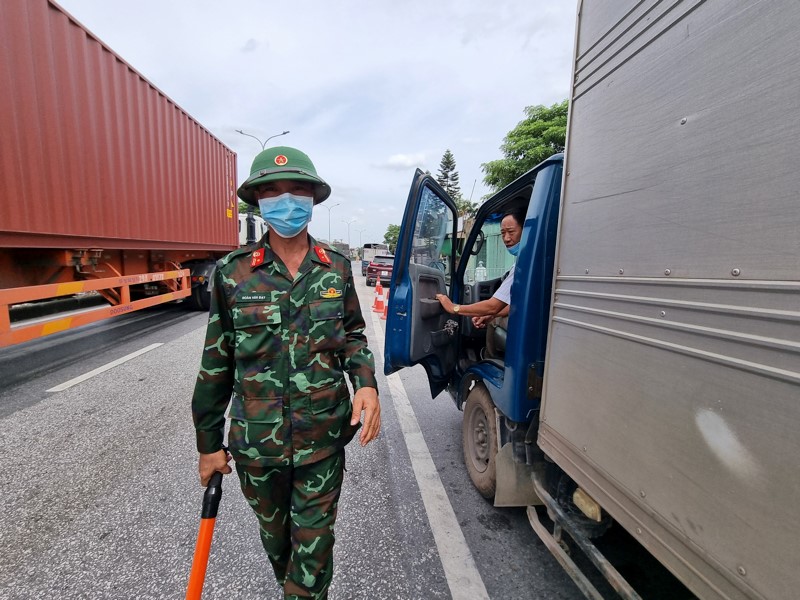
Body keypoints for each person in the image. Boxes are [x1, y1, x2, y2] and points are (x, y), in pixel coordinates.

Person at [191, 146, 381, 599]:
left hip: (323, 437)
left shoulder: (335, 267)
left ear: (313, 198)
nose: (287, 200)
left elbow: (353, 334)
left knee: (313, 554)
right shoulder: (232, 274)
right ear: (257, 202)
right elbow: (215, 363)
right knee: (278, 547)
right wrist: (207, 446)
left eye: (297, 189)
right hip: (258, 446)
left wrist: (367, 385)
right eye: (273, 191)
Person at [435, 207, 525, 357]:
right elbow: (515, 304)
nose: (506, 238)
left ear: (525, 230)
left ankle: (489, 358)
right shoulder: (525, 259)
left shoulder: (525, 263)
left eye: (511, 231)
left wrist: (453, 308)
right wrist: (491, 314)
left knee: (494, 322)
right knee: (493, 318)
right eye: (503, 233)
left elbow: (492, 306)